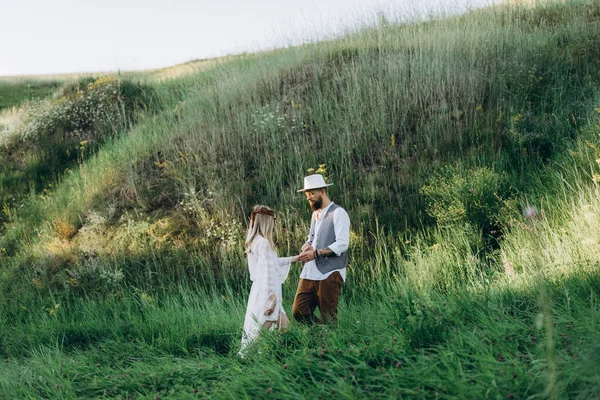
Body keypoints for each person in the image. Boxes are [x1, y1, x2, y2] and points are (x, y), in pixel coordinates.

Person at [239, 205, 300, 356]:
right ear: (267, 221)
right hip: (269, 294)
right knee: (260, 333)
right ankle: (245, 357)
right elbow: (266, 273)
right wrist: (272, 300)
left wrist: (295, 258)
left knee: (284, 325)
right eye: (273, 221)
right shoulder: (264, 244)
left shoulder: (255, 241)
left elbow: (271, 264)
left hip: (262, 291)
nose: (274, 224)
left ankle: (278, 355)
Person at [293, 174, 350, 325]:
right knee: (299, 311)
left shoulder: (339, 213)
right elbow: (312, 238)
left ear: (323, 191)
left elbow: (342, 244)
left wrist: (316, 253)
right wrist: (307, 245)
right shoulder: (314, 214)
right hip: (310, 271)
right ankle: (321, 338)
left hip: (330, 272)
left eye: (311, 194)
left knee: (329, 317)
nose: (308, 198)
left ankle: (330, 345)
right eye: (307, 194)